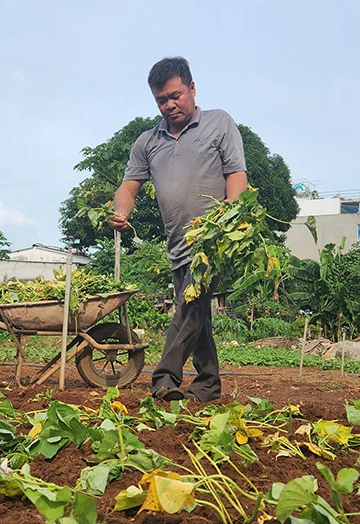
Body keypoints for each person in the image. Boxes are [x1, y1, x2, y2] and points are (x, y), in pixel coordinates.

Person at [109, 57, 248, 403]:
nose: (169, 105)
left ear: (192, 88)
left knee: (188, 309)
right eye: (161, 100)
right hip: (176, 246)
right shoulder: (147, 141)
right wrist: (121, 210)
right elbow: (129, 186)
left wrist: (230, 217)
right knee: (196, 314)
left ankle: (163, 378)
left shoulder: (219, 123)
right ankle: (208, 384)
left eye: (175, 95)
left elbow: (236, 174)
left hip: (213, 242)